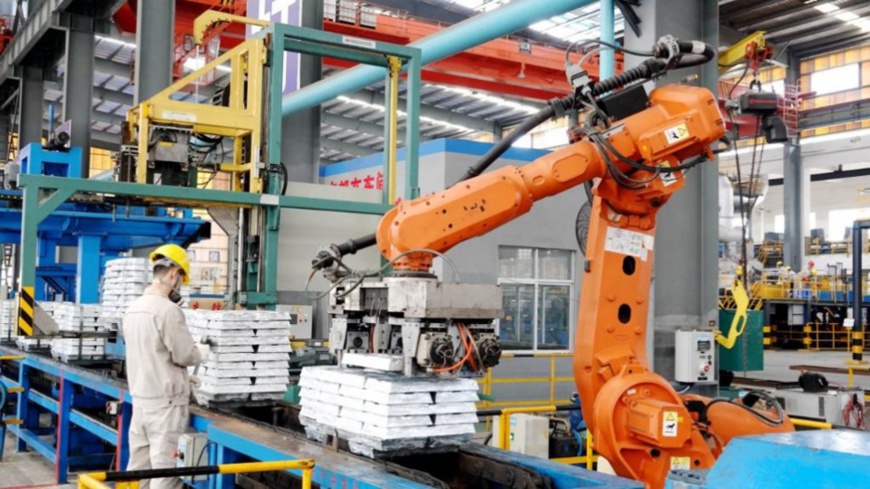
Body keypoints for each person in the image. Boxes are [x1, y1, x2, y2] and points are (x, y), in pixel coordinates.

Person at [123, 244, 209, 489]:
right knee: (164, 472)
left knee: (137, 470)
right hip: (166, 406)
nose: (180, 285)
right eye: (181, 279)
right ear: (174, 273)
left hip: (140, 401)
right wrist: (202, 351)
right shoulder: (168, 311)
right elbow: (184, 355)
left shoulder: (132, 309)